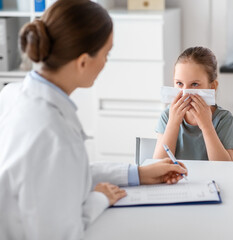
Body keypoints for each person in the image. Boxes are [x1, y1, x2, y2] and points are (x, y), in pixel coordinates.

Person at [0, 0, 187, 239]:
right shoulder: (54, 134)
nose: (106, 63)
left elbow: (64, 174)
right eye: (106, 54)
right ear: (83, 62)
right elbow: (62, 233)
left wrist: (138, 174)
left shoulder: (12, 94)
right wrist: (100, 198)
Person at [153, 47, 233, 161]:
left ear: (212, 86)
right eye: (179, 83)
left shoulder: (223, 119)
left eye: (194, 84)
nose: (185, 92)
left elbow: (225, 167)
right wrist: (173, 123)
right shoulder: (167, 116)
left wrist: (206, 126)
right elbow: (158, 165)